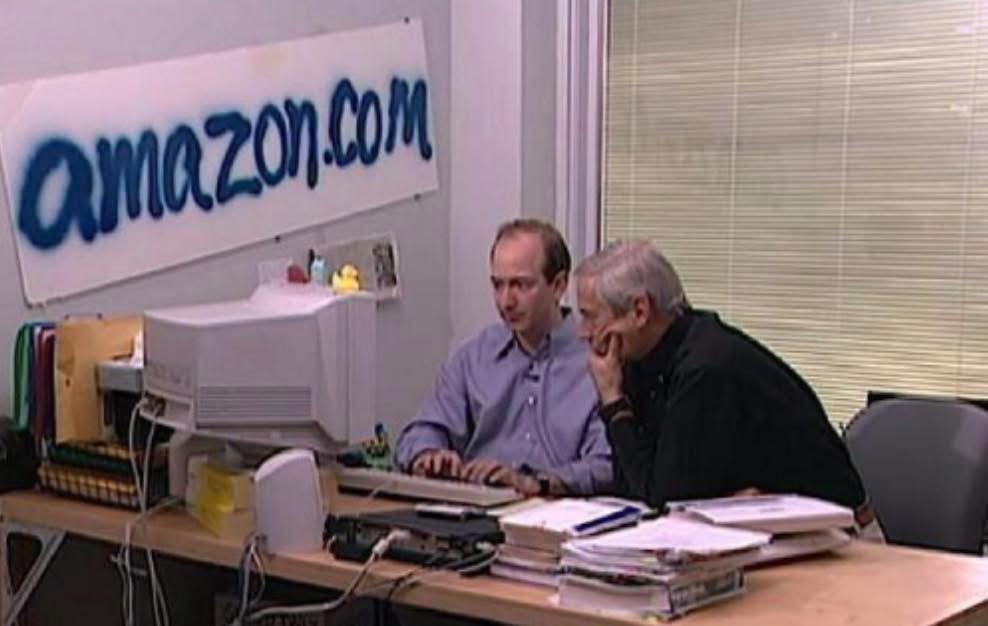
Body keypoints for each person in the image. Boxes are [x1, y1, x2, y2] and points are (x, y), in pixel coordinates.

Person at [574, 239, 871, 521]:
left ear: (640, 311)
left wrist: (614, 402)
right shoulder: (639, 359)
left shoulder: (705, 368)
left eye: (590, 317)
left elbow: (665, 500)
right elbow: (634, 487)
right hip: (758, 527)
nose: (582, 332)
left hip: (835, 530)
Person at [394, 219, 613, 496]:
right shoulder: (473, 358)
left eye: (521, 285)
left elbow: (606, 466)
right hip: (476, 506)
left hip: (553, 510)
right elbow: (418, 433)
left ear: (558, 286)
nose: (506, 301)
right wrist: (428, 454)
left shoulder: (597, 361)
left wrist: (536, 482)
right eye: (498, 285)